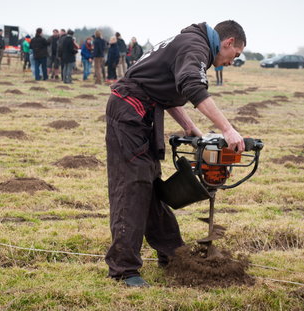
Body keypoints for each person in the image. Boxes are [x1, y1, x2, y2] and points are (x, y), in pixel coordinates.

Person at [105, 20, 246, 287]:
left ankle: (172, 254)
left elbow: (166, 92)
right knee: (132, 187)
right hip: (129, 113)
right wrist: (228, 130)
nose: (231, 62)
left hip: (143, 113)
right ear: (228, 43)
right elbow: (192, 88)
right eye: (235, 55)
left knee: (149, 186)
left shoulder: (191, 44)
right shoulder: (195, 47)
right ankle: (124, 270)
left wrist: (191, 127)